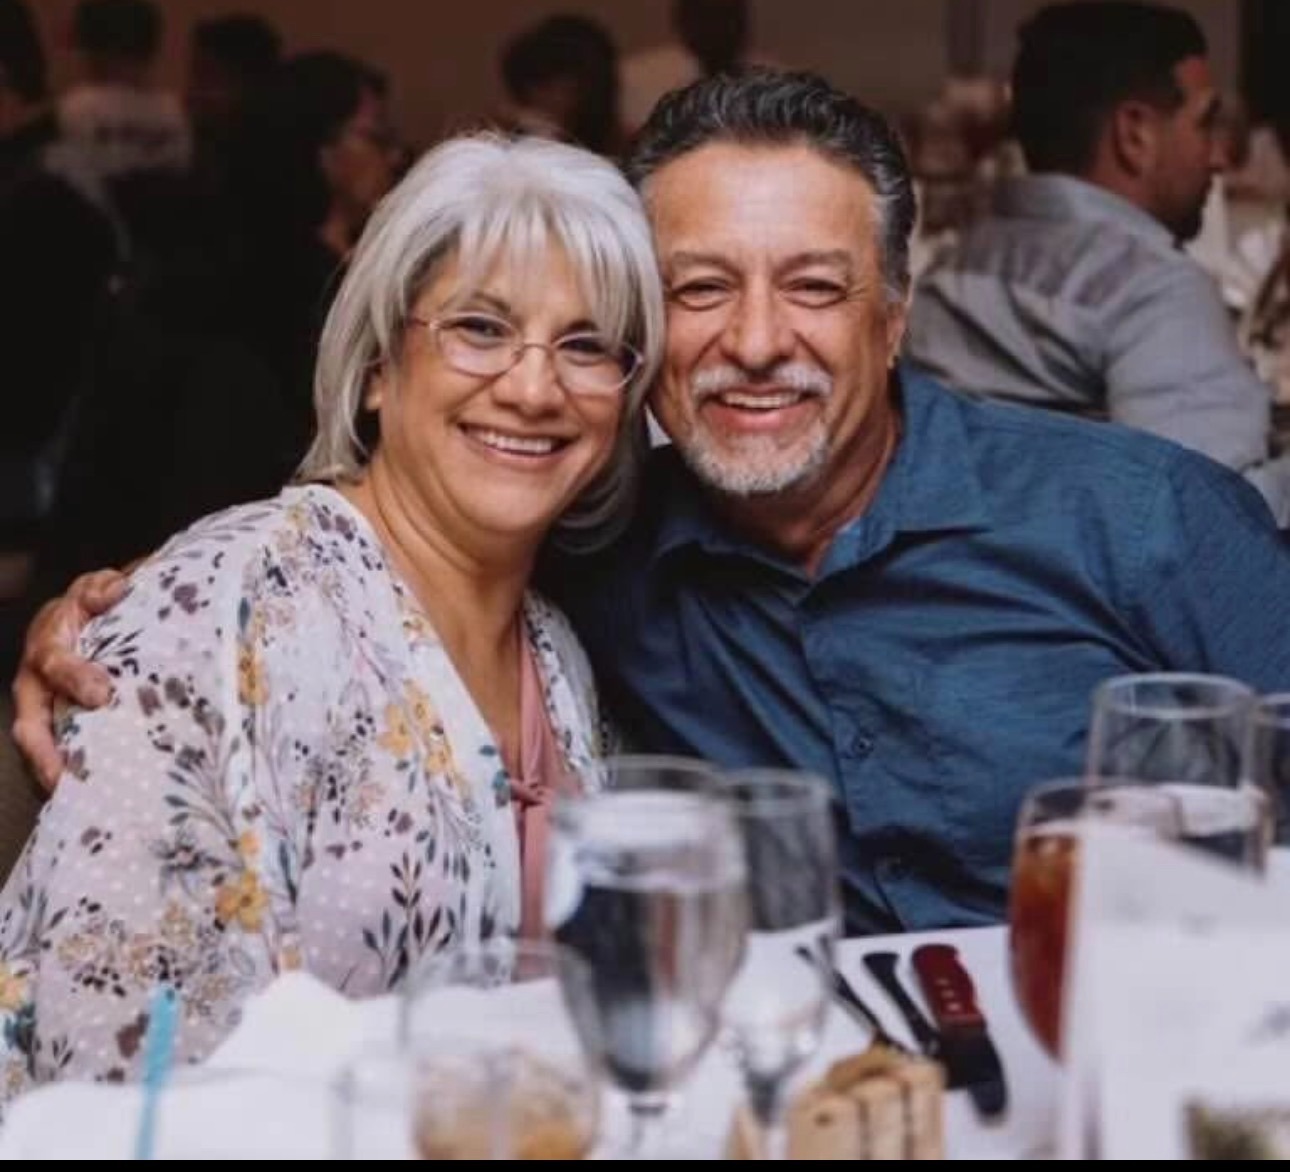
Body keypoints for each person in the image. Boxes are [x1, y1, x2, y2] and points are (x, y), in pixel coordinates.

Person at [14, 70, 1290, 938]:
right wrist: (137, 619)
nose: (755, 341)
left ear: (896, 317)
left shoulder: (1149, 521)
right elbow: (373, 549)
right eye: (699, 288)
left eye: (814, 287)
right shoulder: (591, 545)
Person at [0, 132, 663, 1100]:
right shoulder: (226, 608)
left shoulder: (560, 652)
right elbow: (107, 1063)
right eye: (481, 328)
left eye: (586, 345)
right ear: (379, 366)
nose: (533, 387)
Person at [906, 1, 1290, 526]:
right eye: (1204, 124)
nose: (1218, 157)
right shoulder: (1151, 290)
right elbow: (1210, 525)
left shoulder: (952, 272)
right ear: (1135, 134)